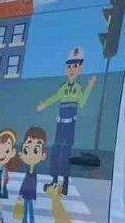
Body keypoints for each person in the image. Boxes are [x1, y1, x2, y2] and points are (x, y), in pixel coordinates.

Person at [36, 47, 97, 195]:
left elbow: (82, 102)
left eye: (75, 66)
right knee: (56, 151)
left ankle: (65, 183)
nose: (71, 69)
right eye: (69, 66)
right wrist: (44, 104)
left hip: (70, 124)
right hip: (60, 124)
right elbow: (55, 98)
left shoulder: (77, 88)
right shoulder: (63, 87)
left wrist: (89, 87)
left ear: (80, 69)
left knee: (66, 154)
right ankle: (54, 181)